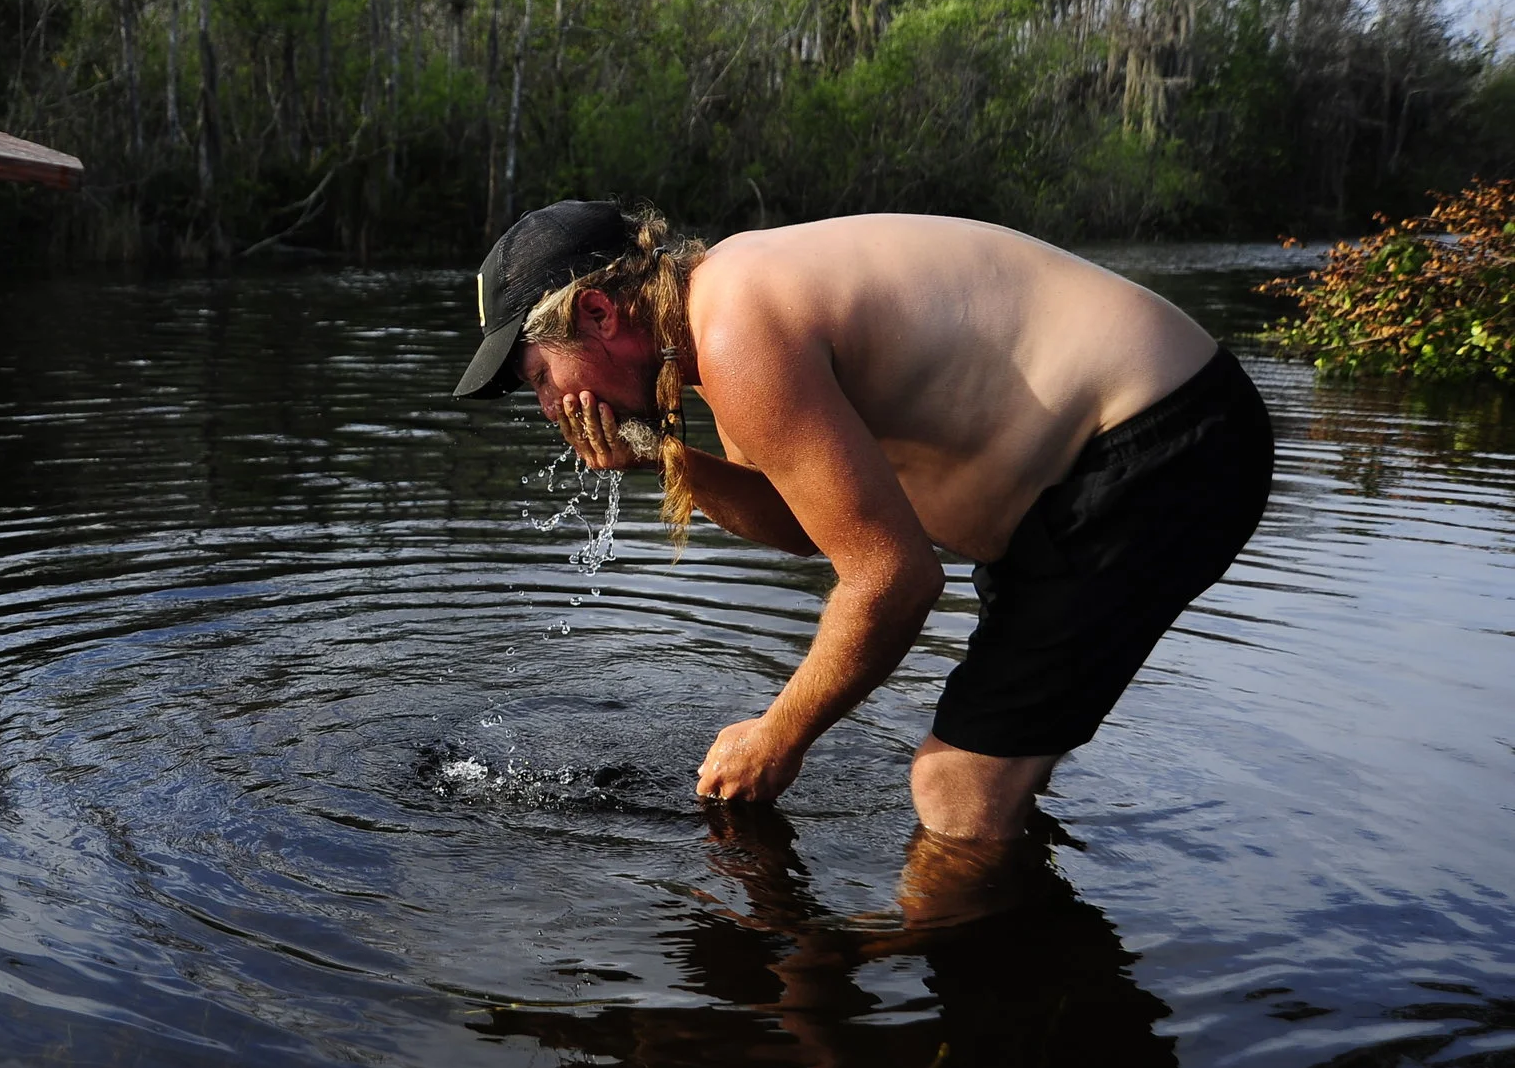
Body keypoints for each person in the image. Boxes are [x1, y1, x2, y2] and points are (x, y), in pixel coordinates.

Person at [454, 200, 1273, 842]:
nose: (552, 405)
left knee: (955, 787)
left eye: (537, 375)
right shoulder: (718, 321)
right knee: (996, 776)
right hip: (1118, 466)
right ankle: (1021, 952)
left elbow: (896, 578)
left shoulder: (740, 333)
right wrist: (671, 463)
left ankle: (963, 1043)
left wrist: (778, 738)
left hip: (1156, 448)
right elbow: (812, 525)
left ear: (599, 314)